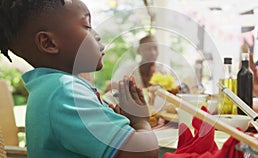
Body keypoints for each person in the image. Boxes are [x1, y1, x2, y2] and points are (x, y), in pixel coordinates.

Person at [0, 0, 158, 157]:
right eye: (87, 26)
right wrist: (141, 121)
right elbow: (143, 152)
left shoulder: (51, 89)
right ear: (49, 43)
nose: (97, 35)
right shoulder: (65, 92)